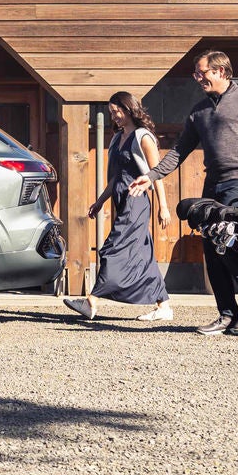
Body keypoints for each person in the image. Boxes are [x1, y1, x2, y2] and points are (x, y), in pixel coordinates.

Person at [125, 49, 238, 336]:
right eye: (196, 74)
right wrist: (150, 176)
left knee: (226, 241)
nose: (198, 78)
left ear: (221, 71)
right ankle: (227, 314)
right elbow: (179, 152)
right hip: (213, 184)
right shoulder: (199, 111)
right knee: (211, 247)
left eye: (202, 73)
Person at [65, 91, 172, 322]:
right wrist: (99, 201)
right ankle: (164, 306)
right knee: (143, 253)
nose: (115, 117)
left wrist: (164, 206)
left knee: (113, 247)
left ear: (129, 109)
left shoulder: (143, 137)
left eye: (118, 112)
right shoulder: (116, 138)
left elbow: (158, 174)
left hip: (137, 199)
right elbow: (114, 178)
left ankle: (91, 301)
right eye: (112, 113)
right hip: (120, 198)